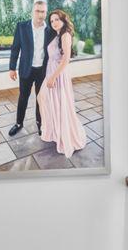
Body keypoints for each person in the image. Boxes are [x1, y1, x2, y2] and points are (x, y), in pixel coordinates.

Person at [37, 9, 89, 158]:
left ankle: (62, 133)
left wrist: (53, 77)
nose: (54, 23)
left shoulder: (65, 35)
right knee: (43, 99)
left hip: (57, 73)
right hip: (51, 71)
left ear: (63, 20)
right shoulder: (58, 35)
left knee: (58, 103)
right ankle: (53, 130)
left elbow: (66, 59)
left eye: (57, 20)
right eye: (52, 20)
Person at [7, 0, 54, 137]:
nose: (40, 14)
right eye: (38, 11)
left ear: (46, 13)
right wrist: (11, 68)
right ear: (32, 11)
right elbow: (15, 48)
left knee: (41, 99)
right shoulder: (22, 26)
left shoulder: (50, 30)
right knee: (23, 97)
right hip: (26, 69)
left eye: (43, 12)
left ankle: (40, 124)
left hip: (42, 71)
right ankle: (19, 123)